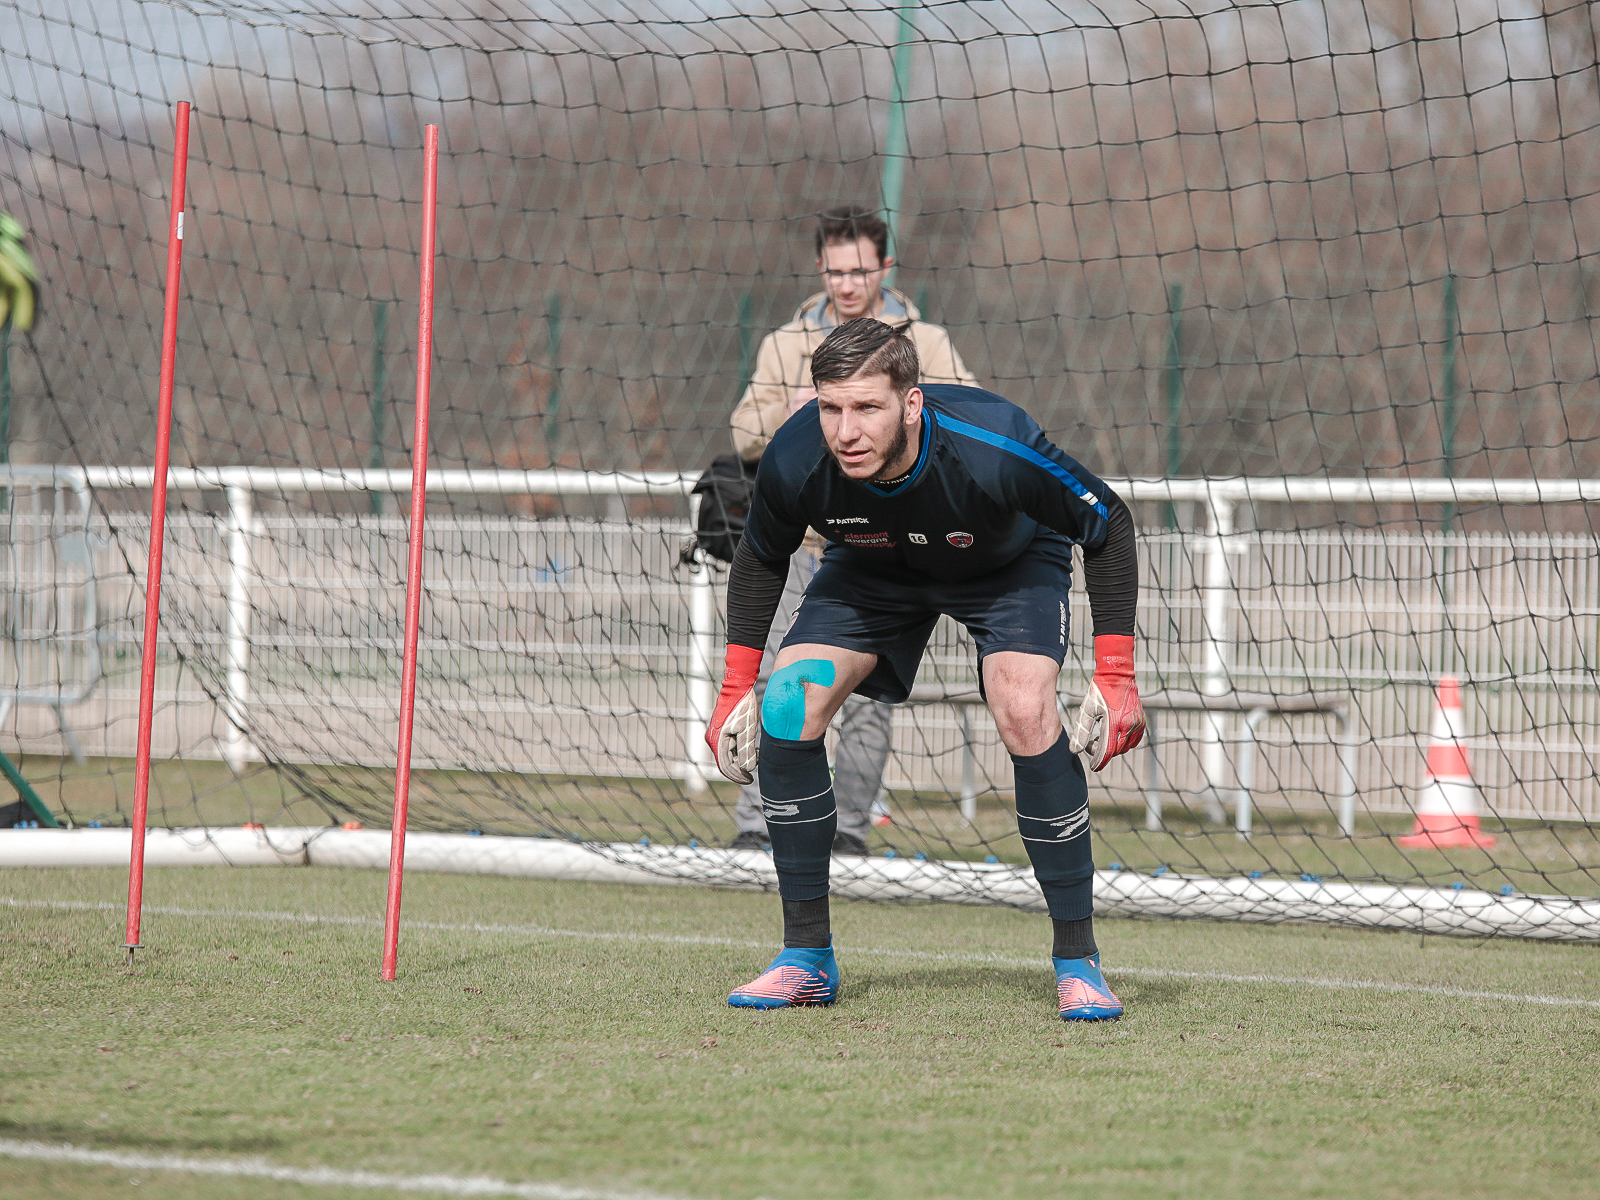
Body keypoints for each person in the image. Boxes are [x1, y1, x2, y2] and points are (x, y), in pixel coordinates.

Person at [705, 318, 1145, 1021]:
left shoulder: (994, 445)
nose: (845, 430)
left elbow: (1108, 524)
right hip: (873, 567)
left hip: (1007, 567)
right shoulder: (796, 455)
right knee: (787, 700)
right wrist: (735, 688)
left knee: (1025, 707)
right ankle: (805, 958)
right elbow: (761, 554)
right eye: (831, 407)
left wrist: (1116, 674)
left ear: (911, 404)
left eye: (867, 408)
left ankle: (1077, 960)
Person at [726, 205, 974, 855]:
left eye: (860, 270)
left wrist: (897, 419)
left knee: (868, 699)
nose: (847, 284)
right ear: (820, 269)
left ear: (884, 267)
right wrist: (793, 414)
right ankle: (759, 824)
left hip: (886, 552)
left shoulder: (928, 342)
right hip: (802, 549)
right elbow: (743, 435)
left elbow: (968, 419)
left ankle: (849, 833)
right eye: (835, 272)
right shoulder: (785, 346)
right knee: (773, 684)